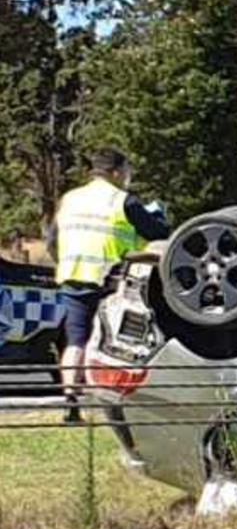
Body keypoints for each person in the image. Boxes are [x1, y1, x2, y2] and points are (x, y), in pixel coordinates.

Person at [54, 148, 170, 423]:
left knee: (76, 340)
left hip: (73, 274)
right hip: (110, 279)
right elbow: (158, 232)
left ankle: (71, 401)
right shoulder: (123, 201)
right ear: (116, 172)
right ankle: (112, 399)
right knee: (116, 341)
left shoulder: (70, 198)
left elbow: (52, 236)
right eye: (126, 171)